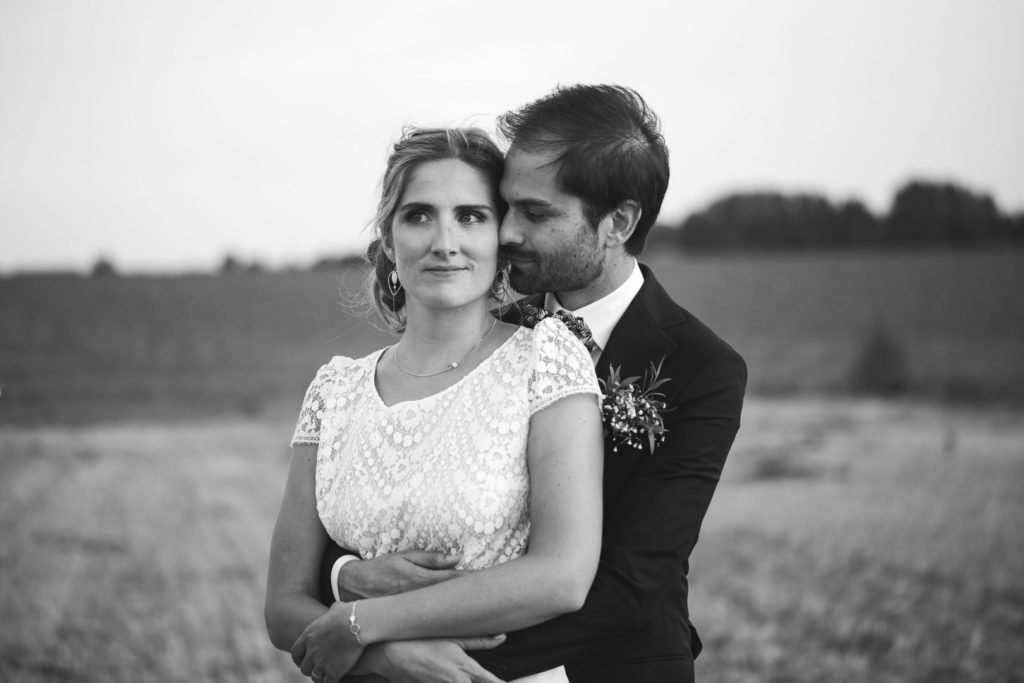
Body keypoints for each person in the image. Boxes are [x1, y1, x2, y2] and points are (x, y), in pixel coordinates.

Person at [323, 85, 747, 683]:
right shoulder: (493, 338)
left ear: (617, 222)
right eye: (504, 207)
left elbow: (630, 581)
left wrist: (416, 652)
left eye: (536, 213)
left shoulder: (703, 367)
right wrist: (347, 581)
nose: (507, 232)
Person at [264, 127, 606, 683]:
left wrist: (361, 623)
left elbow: (562, 577)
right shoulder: (334, 390)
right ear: (390, 239)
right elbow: (283, 605)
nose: (444, 241)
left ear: (502, 238)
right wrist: (382, 653)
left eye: (471, 216)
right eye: (419, 215)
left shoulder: (545, 361)